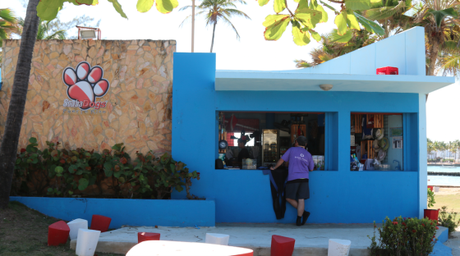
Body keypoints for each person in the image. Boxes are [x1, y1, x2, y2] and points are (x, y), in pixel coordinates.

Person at [270, 136, 314, 226]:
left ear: (296, 142)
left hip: (293, 178)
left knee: (288, 198)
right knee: (301, 199)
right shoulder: (308, 154)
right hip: (305, 179)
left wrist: (274, 168)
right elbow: (312, 169)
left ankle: (304, 213)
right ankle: (299, 219)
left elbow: (282, 160)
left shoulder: (291, 150)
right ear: (305, 144)